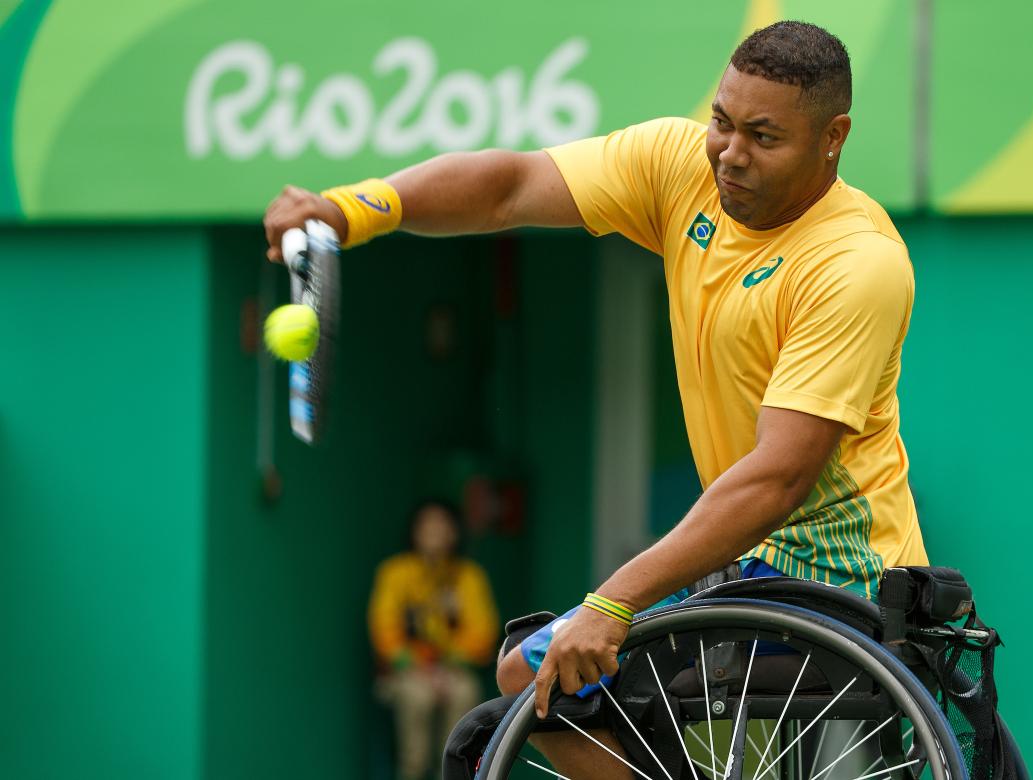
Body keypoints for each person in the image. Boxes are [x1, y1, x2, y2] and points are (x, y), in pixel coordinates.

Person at [270, 21, 928, 780]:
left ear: (832, 137)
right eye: (721, 121)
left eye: (763, 136)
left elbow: (778, 477)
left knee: (556, 666)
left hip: (843, 583)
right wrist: (352, 210)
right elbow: (509, 187)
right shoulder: (684, 169)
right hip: (745, 575)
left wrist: (611, 603)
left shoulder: (855, 264)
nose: (730, 152)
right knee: (533, 674)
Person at [368, 500, 499, 780]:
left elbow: (482, 634)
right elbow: (384, 632)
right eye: (427, 525)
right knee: (418, 696)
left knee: (464, 692)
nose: (435, 531)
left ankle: (451, 774)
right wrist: (423, 666)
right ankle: (411, 773)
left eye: (442, 525)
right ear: (414, 531)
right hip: (407, 672)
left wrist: (446, 664)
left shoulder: (469, 576)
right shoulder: (395, 573)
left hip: (455, 672)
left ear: (454, 532)